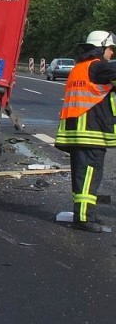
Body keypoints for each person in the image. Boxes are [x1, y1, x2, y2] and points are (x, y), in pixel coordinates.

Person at [55, 30, 116, 233]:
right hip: (91, 132)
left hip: (77, 131)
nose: (112, 54)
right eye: (110, 49)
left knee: (83, 176)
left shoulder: (81, 67)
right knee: (90, 175)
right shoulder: (99, 67)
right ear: (102, 47)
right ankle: (83, 218)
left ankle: (86, 213)